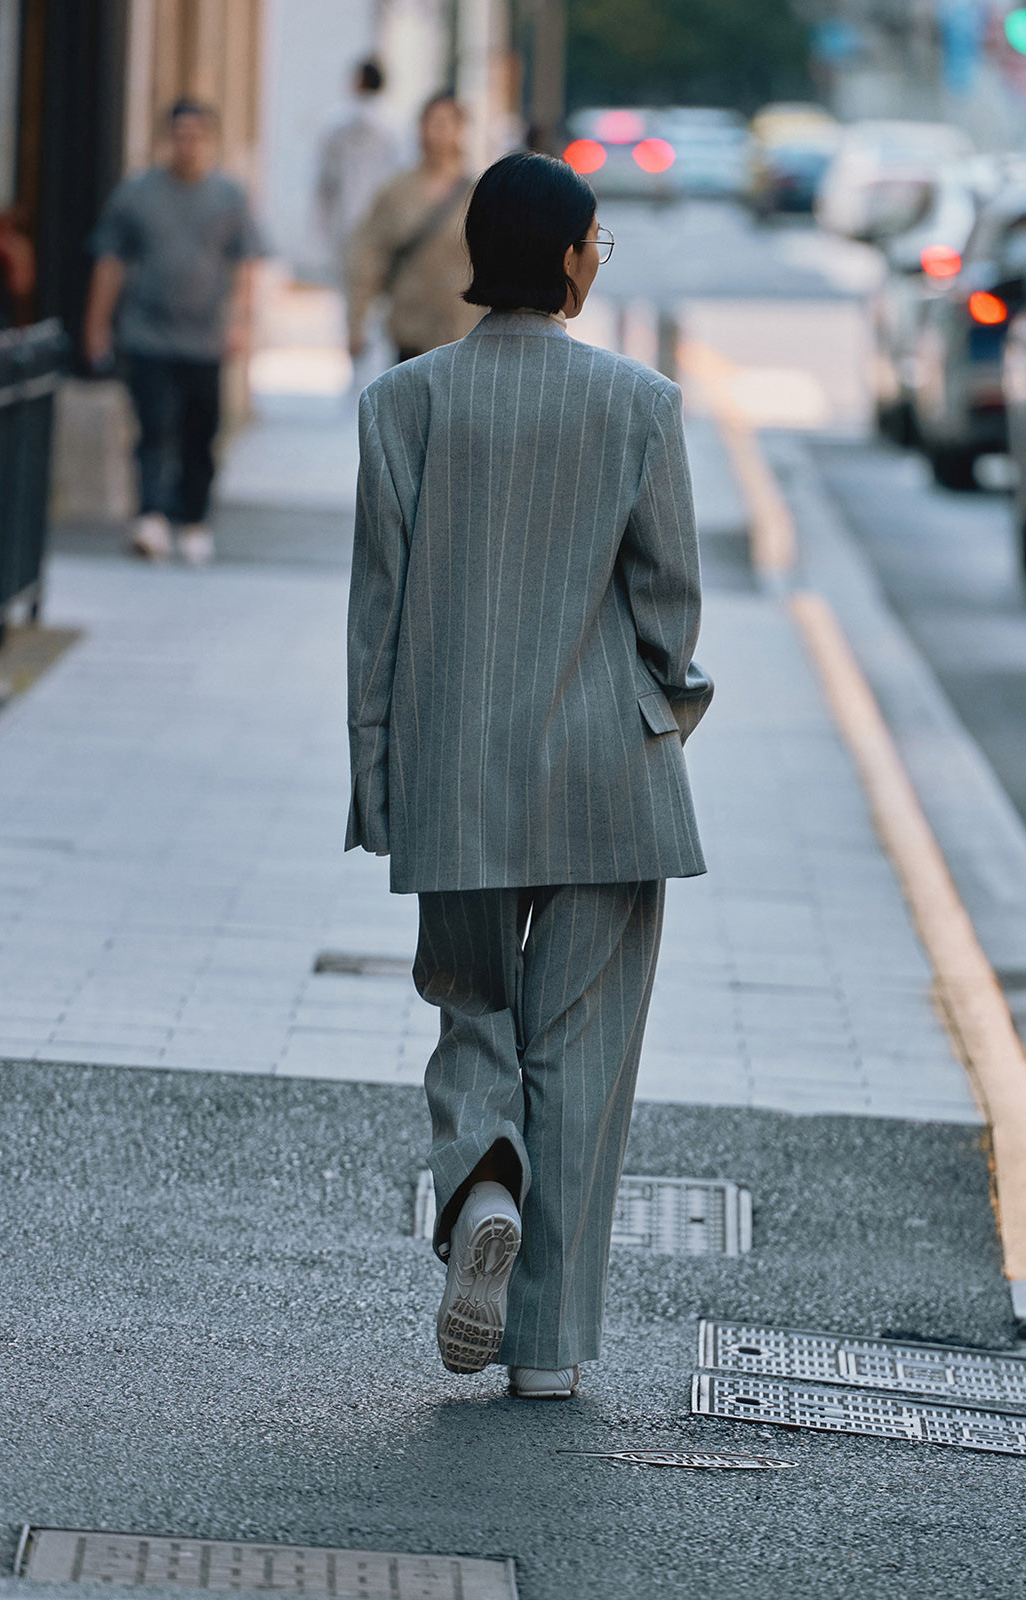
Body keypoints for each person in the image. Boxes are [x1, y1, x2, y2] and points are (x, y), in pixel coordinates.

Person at [345, 151, 713, 1399]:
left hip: (454, 774)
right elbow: (668, 606)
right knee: (585, 1052)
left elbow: (376, 616)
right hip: (611, 775)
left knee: (472, 1008)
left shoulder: (405, 404)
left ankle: (483, 1177)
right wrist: (674, 705)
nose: (599, 257)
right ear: (563, 257)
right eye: (596, 240)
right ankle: (545, 1350)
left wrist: (378, 774)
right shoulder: (639, 405)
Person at [82, 99, 265, 566]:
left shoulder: (229, 197)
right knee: (153, 427)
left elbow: (245, 262)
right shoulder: (137, 194)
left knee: (200, 434)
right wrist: (97, 325)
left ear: (210, 141)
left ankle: (194, 519)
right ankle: (152, 516)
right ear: (168, 139)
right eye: (180, 135)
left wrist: (241, 322)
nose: (188, 145)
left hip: (205, 339)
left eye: (197, 136)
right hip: (148, 334)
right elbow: (110, 261)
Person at [345, 92, 481, 365]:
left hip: (463, 331)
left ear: (461, 129)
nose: (437, 133)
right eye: (430, 123)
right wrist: (356, 322)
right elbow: (366, 256)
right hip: (409, 329)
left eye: (445, 123)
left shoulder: (479, 193)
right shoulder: (397, 192)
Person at [315, 59, 399, 279]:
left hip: (347, 221)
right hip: (383, 221)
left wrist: (322, 223)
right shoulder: (395, 125)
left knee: (350, 288)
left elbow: (326, 181)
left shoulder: (337, 124)